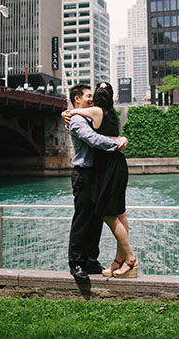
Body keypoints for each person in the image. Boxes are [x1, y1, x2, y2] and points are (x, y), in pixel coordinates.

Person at [64, 82, 138, 278]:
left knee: (96, 219)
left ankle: (90, 260)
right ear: (77, 99)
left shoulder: (85, 116)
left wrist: (120, 138)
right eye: (88, 95)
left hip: (98, 173)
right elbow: (94, 139)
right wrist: (118, 142)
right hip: (84, 174)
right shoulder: (78, 121)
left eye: (93, 95)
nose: (91, 98)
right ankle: (77, 263)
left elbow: (103, 130)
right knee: (82, 218)